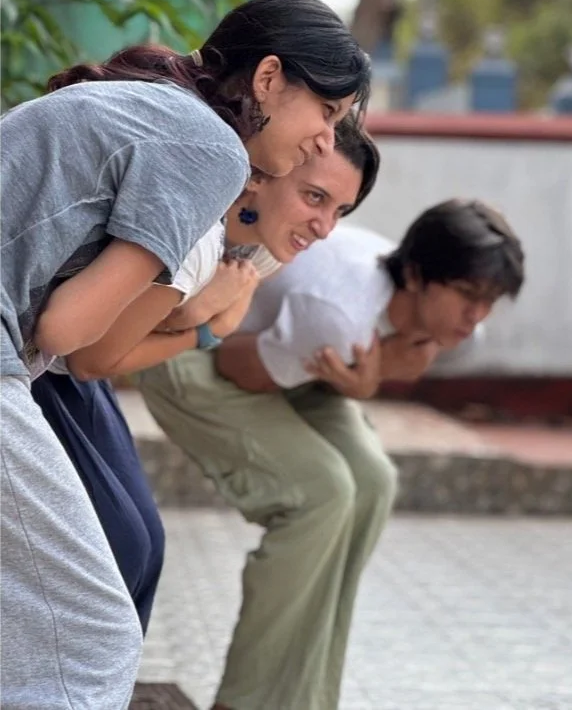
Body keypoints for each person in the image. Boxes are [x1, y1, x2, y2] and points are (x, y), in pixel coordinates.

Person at [1, 0, 370, 710]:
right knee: (95, 637)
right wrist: (199, 316)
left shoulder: (155, 102)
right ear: (267, 80)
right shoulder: (210, 148)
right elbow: (68, 336)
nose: (325, 140)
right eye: (325, 113)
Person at [136, 198, 526, 710]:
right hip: (194, 355)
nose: (476, 315)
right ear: (414, 274)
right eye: (467, 295)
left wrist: (377, 368)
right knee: (321, 495)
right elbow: (239, 367)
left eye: (491, 299)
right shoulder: (340, 315)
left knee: (372, 484)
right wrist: (380, 367)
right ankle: (243, 702)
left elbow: (376, 358)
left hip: (292, 363)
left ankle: (308, 699)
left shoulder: (453, 323)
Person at [29, 114, 379, 635]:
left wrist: (200, 320)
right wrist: (200, 329)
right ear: (266, 172)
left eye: (340, 210)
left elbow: (178, 326)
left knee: (141, 546)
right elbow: (92, 358)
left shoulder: (265, 246)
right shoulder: (198, 228)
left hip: (77, 372)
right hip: (39, 370)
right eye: (314, 198)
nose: (326, 227)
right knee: (121, 547)